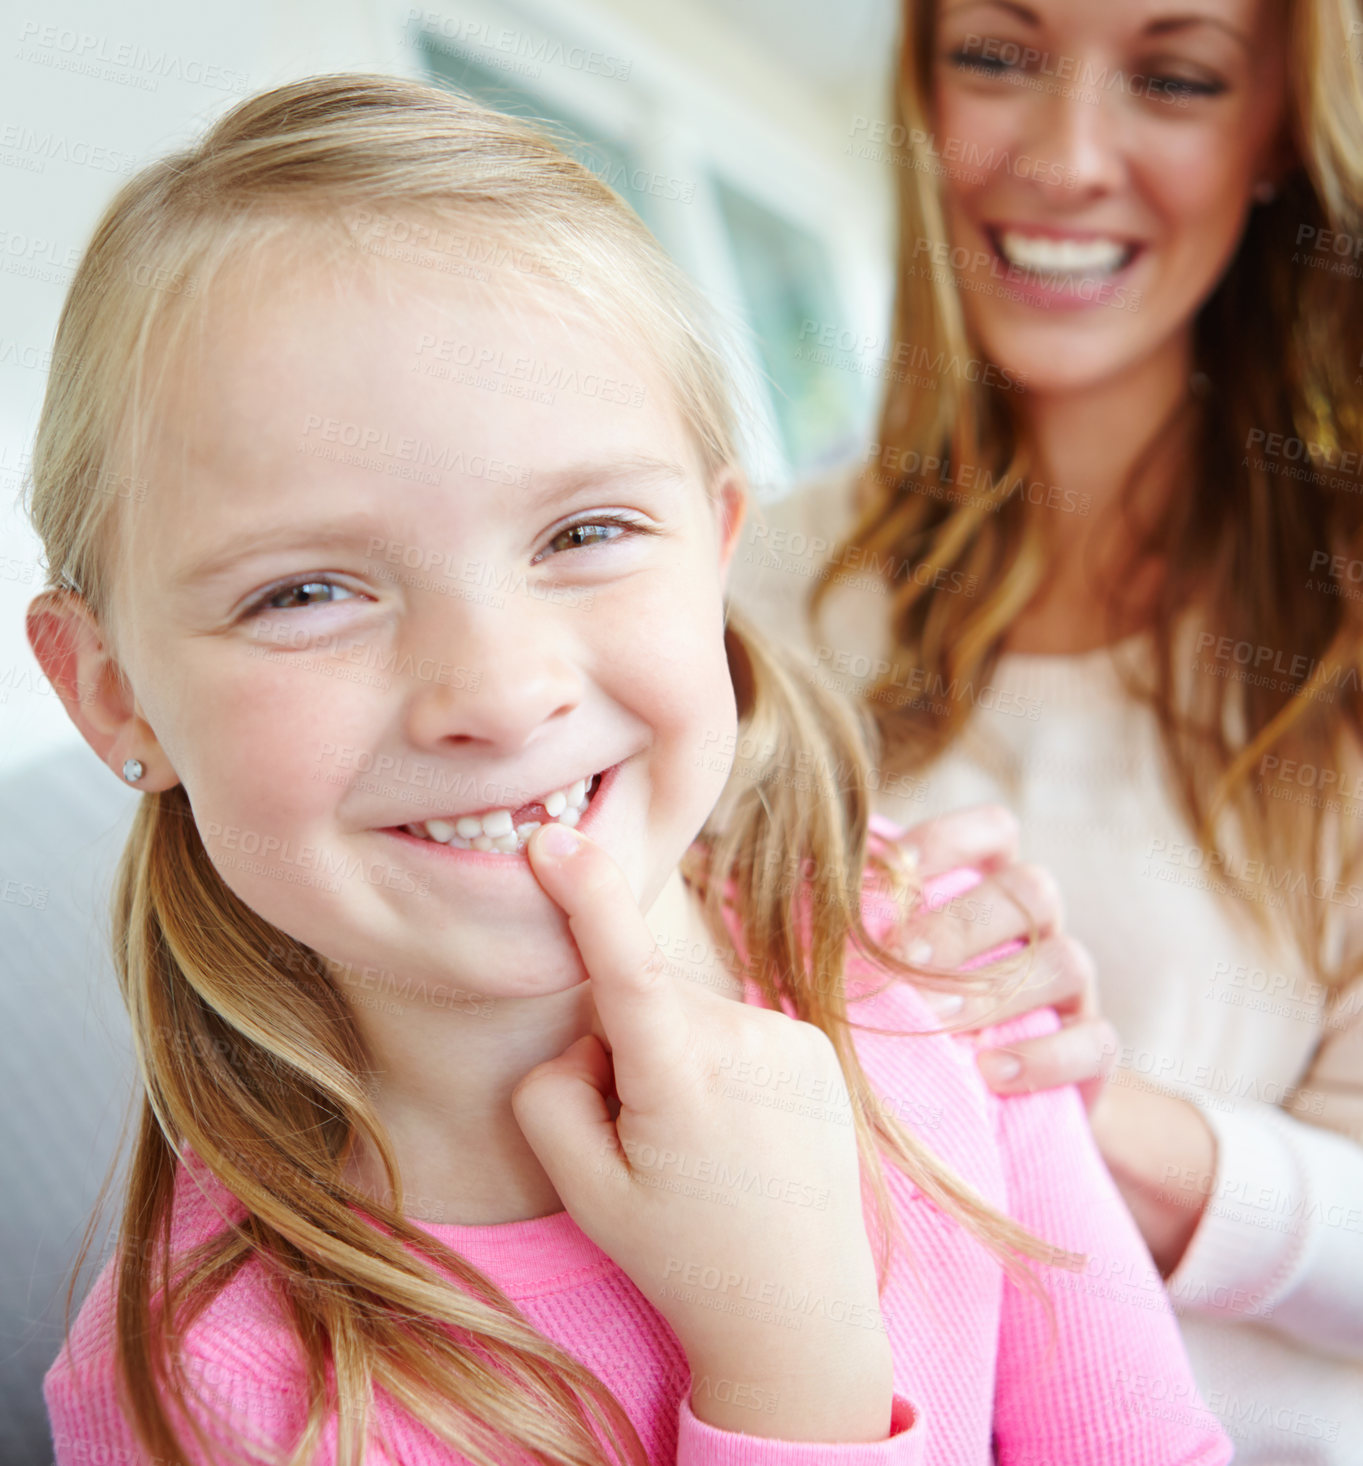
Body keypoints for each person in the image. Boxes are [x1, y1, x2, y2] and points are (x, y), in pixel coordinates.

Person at [28, 73, 1231, 1466]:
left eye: (586, 532)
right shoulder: (200, 1389)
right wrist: (789, 1358)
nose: (495, 691)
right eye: (305, 592)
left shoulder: (925, 964)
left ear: (717, 550)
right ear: (116, 695)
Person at [730, 0, 1363, 1459]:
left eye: (1176, 77)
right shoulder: (749, 589)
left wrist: (1069, 1105)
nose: (1067, 157)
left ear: (1276, 128)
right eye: (997, 57)